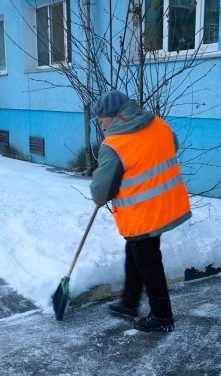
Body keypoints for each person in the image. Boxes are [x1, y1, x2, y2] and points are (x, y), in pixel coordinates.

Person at [89, 90, 191, 333]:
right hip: (166, 202)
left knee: (148, 259)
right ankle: (129, 302)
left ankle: (162, 316)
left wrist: (104, 190)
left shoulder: (114, 144)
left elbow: (100, 192)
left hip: (144, 212)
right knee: (136, 249)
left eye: (102, 119)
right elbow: (171, 146)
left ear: (115, 117)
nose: (101, 125)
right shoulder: (158, 124)